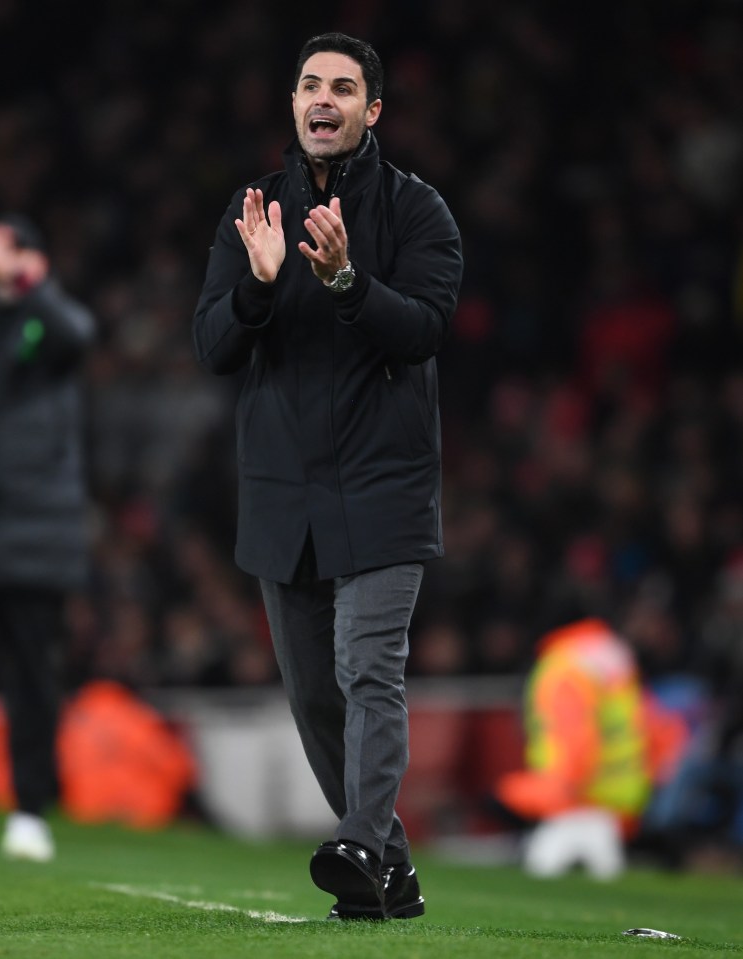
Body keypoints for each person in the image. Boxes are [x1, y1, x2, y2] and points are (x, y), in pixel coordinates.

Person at [193, 32, 463, 918]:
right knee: (314, 697)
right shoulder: (254, 214)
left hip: (383, 487)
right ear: (294, 102)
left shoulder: (418, 213)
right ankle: (390, 865)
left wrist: (347, 280)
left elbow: (422, 329)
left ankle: (356, 839)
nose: (323, 99)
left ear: (370, 110)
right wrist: (259, 289)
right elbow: (213, 347)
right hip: (283, 494)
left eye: (342, 88)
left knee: (366, 670)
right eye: (310, 83)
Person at [0, 214, 95, 860]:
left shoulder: (47, 321)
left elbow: (78, 333)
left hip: (38, 534)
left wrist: (23, 279)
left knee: (32, 681)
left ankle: (29, 809)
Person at [492, 615, 688, 879]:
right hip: (619, 801)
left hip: (575, 799)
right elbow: (657, 728)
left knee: (540, 882)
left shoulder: (563, 666)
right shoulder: (615, 660)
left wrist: (553, 788)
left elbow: (573, 737)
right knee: (606, 889)